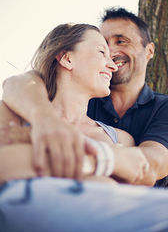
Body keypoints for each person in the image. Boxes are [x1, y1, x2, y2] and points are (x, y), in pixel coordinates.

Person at [2, 8, 168, 187]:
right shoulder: (25, 105)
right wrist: (46, 121)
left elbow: (144, 169)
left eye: (121, 41)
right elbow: (21, 82)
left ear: (149, 51)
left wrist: (87, 156)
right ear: (67, 59)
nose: (112, 59)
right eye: (104, 49)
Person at [0, 22, 149, 185]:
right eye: (101, 52)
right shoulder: (12, 114)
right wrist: (108, 160)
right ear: (67, 58)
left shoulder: (120, 139)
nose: (113, 66)